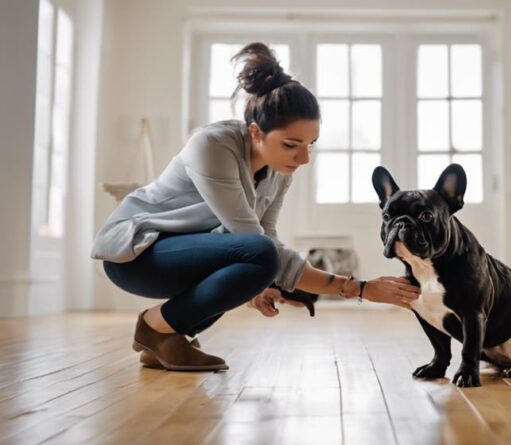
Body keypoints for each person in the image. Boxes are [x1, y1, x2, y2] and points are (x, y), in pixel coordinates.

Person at [91, 42, 420, 372]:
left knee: (259, 261)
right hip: (136, 253)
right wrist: (359, 288)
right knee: (260, 256)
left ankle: (165, 341)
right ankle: (154, 326)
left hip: (185, 255)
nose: (304, 158)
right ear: (255, 131)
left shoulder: (279, 173)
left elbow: (266, 240)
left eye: (310, 145)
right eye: (291, 145)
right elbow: (255, 242)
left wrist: (258, 285)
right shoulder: (212, 146)